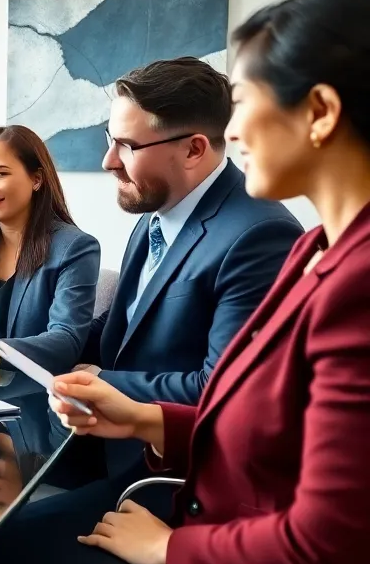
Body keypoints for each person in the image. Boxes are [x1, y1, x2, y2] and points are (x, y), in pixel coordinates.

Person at [0, 0, 370, 564]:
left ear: (318, 112)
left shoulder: (297, 251)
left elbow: (327, 543)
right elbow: (250, 407)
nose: (233, 131)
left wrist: (172, 547)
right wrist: (140, 413)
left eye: (244, 105)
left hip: (202, 527)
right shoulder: (313, 248)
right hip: (173, 474)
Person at [82, 58, 302, 405]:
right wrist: (16, 356)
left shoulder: (262, 236)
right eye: (110, 138)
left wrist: (102, 383)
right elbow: (126, 322)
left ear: (193, 149)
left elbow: (223, 387)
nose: (108, 161)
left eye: (127, 145)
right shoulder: (156, 210)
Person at [0, 125, 101, 378]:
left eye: (0, 173)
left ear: (36, 179)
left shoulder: (75, 248)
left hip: (35, 393)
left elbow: (66, 341)